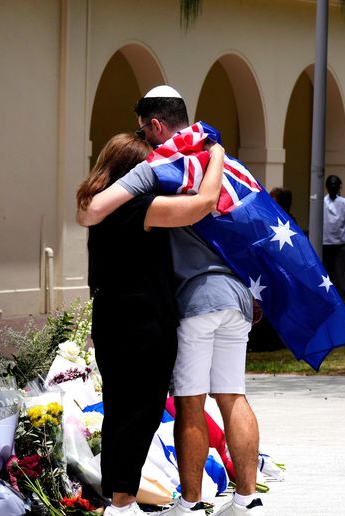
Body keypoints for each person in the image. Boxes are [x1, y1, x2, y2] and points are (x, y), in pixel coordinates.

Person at [78, 85, 264, 516]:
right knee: (223, 397)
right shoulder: (147, 204)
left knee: (139, 409)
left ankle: (158, 501)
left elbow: (88, 211)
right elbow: (203, 204)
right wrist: (216, 154)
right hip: (169, 315)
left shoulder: (109, 207)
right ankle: (241, 497)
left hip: (129, 316)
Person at [76, 132, 225, 516]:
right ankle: (122, 502)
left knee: (119, 410)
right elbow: (203, 204)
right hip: (144, 322)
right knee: (140, 414)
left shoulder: (100, 207)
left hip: (110, 318)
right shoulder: (138, 207)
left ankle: (118, 497)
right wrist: (216, 157)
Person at [323, 175, 345, 304]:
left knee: (335, 278)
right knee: (338, 278)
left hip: (336, 246)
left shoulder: (321, 202)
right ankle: (338, 303)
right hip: (331, 245)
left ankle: (336, 303)